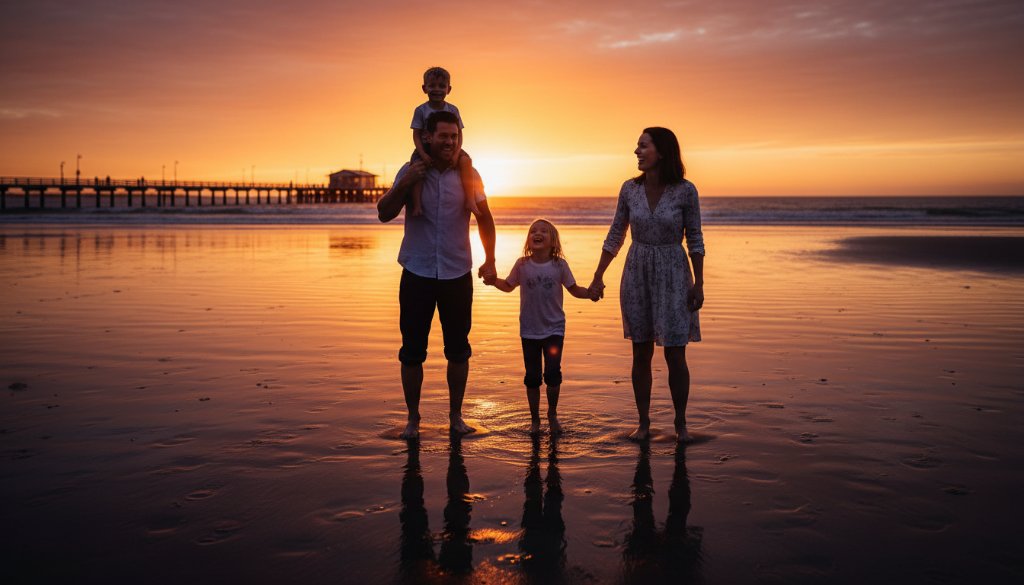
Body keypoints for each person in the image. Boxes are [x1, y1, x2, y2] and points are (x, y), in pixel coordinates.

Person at [377, 109, 497, 440]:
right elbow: (383, 214)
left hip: (457, 272)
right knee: (412, 350)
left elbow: (485, 218)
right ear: (428, 137)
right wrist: (405, 182)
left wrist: (490, 260)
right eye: (444, 136)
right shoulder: (412, 169)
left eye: (455, 136)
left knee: (458, 349)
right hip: (416, 271)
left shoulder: (469, 174)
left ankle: (456, 417)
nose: (450, 142)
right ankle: (413, 420)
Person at [588, 127, 705, 443]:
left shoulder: (685, 191)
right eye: (637, 146)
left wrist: (699, 283)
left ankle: (681, 425)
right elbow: (616, 234)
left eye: (643, 146)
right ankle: (643, 424)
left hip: (674, 274)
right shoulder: (629, 189)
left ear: (662, 151)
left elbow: (694, 238)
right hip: (637, 271)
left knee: (675, 354)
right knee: (640, 353)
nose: (637, 151)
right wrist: (598, 275)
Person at [487, 219, 593, 435]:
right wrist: (492, 280)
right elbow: (508, 286)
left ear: (553, 241)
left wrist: (590, 293)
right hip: (529, 330)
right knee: (532, 377)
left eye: (544, 231)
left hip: (554, 329)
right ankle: (535, 420)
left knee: (553, 374)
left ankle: (552, 415)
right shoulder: (522, 265)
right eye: (533, 231)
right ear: (528, 240)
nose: (538, 233)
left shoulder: (559, 265)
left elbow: (574, 289)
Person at [407, 66, 480, 217]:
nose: (437, 90)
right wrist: (423, 154)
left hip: (451, 147)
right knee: (416, 167)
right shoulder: (421, 110)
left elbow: (459, 134)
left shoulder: (453, 110)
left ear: (449, 89)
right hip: (425, 147)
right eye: (432, 85)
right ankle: (417, 205)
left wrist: (457, 153)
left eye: (442, 86)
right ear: (424, 88)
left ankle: (470, 200)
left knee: (466, 161)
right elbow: (416, 134)